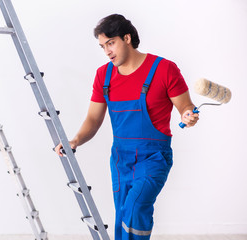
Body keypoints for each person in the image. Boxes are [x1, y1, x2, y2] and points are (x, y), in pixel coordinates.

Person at [55, 14, 199, 240]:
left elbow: (186, 107)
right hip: (120, 159)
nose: (107, 51)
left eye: (111, 43)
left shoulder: (164, 69)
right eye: (103, 46)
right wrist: (75, 140)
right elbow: (93, 119)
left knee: (135, 208)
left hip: (153, 157)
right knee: (123, 215)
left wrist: (188, 115)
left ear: (127, 38)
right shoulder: (104, 75)